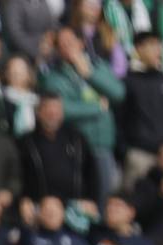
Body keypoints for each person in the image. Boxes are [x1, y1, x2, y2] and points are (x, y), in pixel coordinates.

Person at [40, 27, 126, 201]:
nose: (66, 48)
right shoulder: (54, 77)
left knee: (107, 196)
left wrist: (89, 75)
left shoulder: (97, 66)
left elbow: (118, 93)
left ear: (81, 43)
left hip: (103, 145)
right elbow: (62, 109)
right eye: (61, 45)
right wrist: (98, 107)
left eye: (70, 43)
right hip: (76, 148)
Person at [18, 94, 101, 218]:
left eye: (56, 110)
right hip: (40, 207)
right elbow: (19, 176)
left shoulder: (77, 139)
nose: (52, 114)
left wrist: (92, 201)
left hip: (76, 207)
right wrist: (23, 199)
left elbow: (92, 174)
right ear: (38, 112)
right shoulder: (26, 142)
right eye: (47, 109)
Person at [120, 32, 163, 191]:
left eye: (158, 45)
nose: (157, 50)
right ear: (138, 48)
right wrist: (125, 151)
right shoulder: (127, 82)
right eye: (152, 45)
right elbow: (121, 119)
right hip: (140, 156)